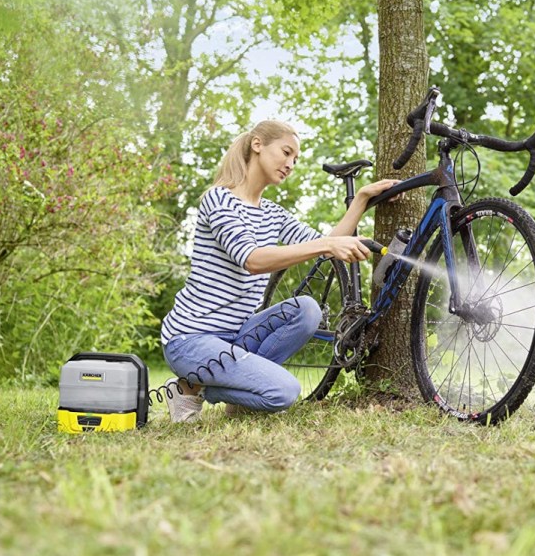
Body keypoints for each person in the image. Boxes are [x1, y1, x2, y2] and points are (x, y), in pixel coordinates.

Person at [160, 120, 399, 422]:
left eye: (295, 160)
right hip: (191, 339)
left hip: (237, 337)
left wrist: (362, 200)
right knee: (284, 392)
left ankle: (232, 388)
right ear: (257, 145)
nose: (290, 164)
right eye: (286, 153)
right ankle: (189, 387)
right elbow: (253, 259)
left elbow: (325, 244)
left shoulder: (273, 213)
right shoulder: (219, 200)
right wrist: (328, 245)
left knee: (307, 310)